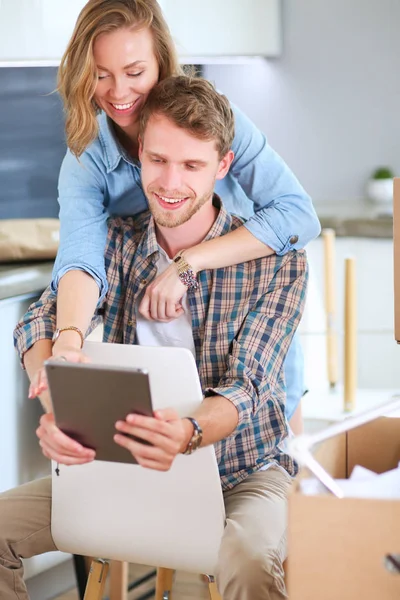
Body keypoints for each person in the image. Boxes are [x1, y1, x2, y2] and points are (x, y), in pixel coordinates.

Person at [8, 75, 308, 600]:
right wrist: (53, 396)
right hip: (124, 467)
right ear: (139, 155)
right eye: (158, 160)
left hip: (243, 471)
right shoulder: (117, 246)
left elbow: (250, 387)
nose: (170, 183)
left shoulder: (278, 264)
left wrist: (189, 431)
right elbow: (39, 321)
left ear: (223, 167)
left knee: (249, 558)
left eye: (192, 166)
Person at [21, 0, 319, 426]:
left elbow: (298, 216)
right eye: (101, 75)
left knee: (265, 459)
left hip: (241, 333)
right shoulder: (87, 159)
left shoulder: (220, 120)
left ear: (161, 63)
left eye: (135, 73)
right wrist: (69, 339)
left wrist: (189, 263)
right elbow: (81, 258)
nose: (118, 93)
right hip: (161, 372)